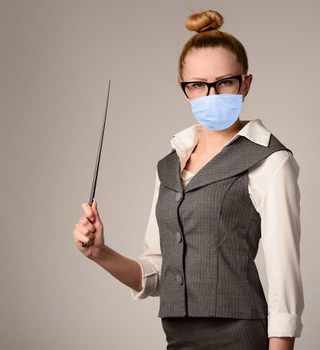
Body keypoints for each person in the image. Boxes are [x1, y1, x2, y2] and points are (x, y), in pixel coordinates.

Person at [72, 9, 304, 350]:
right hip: (178, 339)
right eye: (197, 84)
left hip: (240, 337)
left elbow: (285, 282)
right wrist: (99, 252)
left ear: (246, 84)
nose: (211, 95)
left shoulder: (271, 161)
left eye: (224, 82)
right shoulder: (169, 166)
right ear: (185, 91)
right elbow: (157, 272)